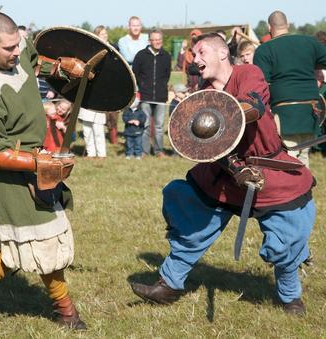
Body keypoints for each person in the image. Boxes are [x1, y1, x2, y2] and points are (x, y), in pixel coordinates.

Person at [130, 33, 316, 316]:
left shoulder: (247, 73)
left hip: (269, 169)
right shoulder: (202, 93)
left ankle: (291, 298)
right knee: (193, 220)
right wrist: (236, 168)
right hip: (225, 172)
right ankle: (168, 284)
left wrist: (224, 114)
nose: (196, 58)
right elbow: (205, 149)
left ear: (222, 54)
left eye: (202, 51)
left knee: (286, 237)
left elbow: (255, 106)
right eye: (194, 53)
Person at [0, 12, 89, 331]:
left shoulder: (15, 47)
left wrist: (60, 67)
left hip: (33, 163)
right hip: (10, 179)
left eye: (18, 45)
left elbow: (33, 59)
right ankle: (67, 312)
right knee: (46, 238)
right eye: (9, 49)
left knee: (17, 243)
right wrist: (41, 163)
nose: (17, 53)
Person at [254, 11, 326, 168]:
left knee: (288, 158)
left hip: (284, 114)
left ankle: (299, 191)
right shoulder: (310, 43)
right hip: (311, 111)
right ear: (288, 24)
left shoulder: (264, 50)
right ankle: (306, 191)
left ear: (269, 27)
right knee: (304, 155)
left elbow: (261, 84)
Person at [132, 29, 171, 157]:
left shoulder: (166, 56)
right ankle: (144, 151)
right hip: (145, 96)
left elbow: (167, 75)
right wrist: (142, 86)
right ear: (149, 41)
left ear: (161, 40)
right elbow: (135, 73)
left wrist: (161, 87)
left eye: (158, 39)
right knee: (146, 125)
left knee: (159, 126)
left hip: (160, 97)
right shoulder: (141, 55)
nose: (156, 42)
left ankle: (159, 150)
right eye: (154, 40)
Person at [94, 25, 119, 144]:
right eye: (101, 34)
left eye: (105, 33)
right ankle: (99, 136)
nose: (104, 35)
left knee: (113, 112)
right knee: (99, 111)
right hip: (98, 83)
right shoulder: (94, 48)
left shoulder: (114, 47)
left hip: (113, 82)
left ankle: (113, 137)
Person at [122, 95, 146, 159]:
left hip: (138, 131)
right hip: (128, 131)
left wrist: (139, 122)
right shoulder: (127, 111)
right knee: (129, 144)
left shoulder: (140, 111)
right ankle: (129, 154)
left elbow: (144, 119)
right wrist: (128, 121)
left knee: (138, 144)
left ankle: (138, 155)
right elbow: (124, 118)